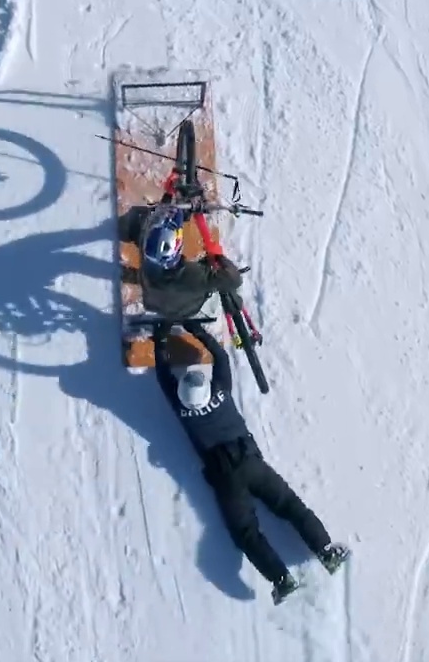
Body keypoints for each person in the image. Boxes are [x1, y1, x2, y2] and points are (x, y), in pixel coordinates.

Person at [153, 316, 350, 603]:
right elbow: (221, 357)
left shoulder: (181, 408)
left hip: (225, 478)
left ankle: (281, 579)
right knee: (290, 506)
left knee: (246, 532)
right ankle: (325, 551)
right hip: (250, 461)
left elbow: (163, 376)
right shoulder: (221, 390)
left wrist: (159, 339)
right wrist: (197, 331)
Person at [121, 204, 245, 321]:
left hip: (156, 306)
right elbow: (234, 279)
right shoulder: (195, 275)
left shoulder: (147, 264)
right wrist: (219, 256)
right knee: (215, 281)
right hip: (188, 310)